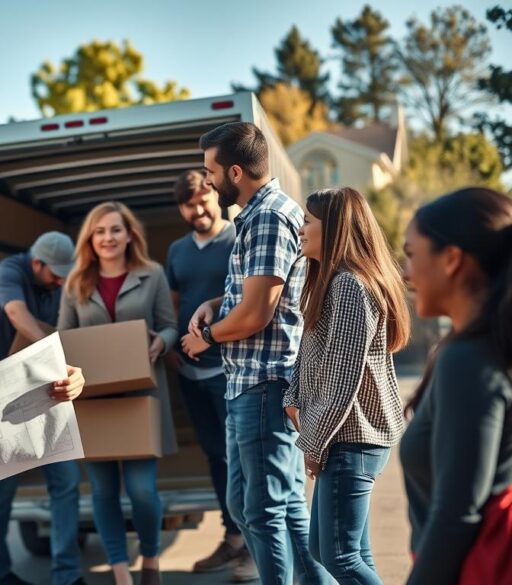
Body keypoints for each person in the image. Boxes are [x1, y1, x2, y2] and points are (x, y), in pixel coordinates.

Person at [180, 122, 329, 585]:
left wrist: (208, 337)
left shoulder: (266, 217)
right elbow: (249, 300)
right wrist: (213, 306)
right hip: (249, 384)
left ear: (237, 171)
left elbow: (258, 314)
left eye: (211, 172)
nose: (206, 181)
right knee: (261, 507)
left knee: (262, 513)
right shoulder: (258, 214)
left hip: (263, 386)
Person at [284, 187, 410, 584]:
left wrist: (313, 447)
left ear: (334, 228)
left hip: (353, 440)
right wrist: (292, 397)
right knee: (335, 551)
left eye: (307, 221)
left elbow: (342, 381)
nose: (300, 229)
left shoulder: (351, 287)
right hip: (343, 438)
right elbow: (309, 356)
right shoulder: (330, 282)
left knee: (340, 557)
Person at [58, 201, 177, 585]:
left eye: (115, 230)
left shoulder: (152, 273)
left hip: (141, 399)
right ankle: (121, 573)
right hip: (92, 402)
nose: (107, 238)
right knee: (104, 492)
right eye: (99, 231)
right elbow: (60, 342)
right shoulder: (75, 283)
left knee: (143, 491)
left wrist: (162, 342)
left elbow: (170, 325)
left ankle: (150, 558)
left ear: (129, 235)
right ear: (90, 239)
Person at [400, 187, 512, 585]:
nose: (406, 273)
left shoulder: (468, 360)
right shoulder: (483, 347)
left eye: (411, 255)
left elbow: (456, 513)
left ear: (451, 259)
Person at [0, 231, 88, 585]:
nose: (60, 280)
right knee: (1, 491)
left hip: (45, 394)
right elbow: (16, 314)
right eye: (55, 273)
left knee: (66, 484)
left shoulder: (56, 285)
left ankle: (67, 576)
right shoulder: (9, 272)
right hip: (1, 397)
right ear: (36, 263)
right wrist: (51, 351)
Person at [164, 169, 256, 581]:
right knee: (217, 457)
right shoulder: (177, 251)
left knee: (245, 458)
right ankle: (233, 539)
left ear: (215, 197)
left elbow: (251, 301)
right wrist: (169, 346)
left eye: (203, 199)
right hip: (190, 372)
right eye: (189, 204)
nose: (197, 209)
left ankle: (257, 545)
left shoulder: (238, 238)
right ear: (181, 208)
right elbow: (173, 303)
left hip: (231, 370)